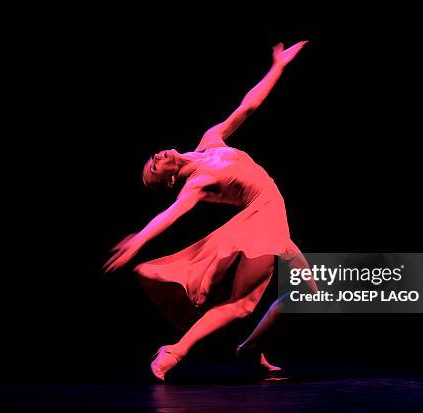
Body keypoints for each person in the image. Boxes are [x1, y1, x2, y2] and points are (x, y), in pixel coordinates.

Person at [104, 41, 315, 381]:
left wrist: (277, 66)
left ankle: (250, 348)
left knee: (308, 291)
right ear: (170, 179)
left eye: (154, 158)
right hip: (262, 222)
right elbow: (171, 215)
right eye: (154, 167)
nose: (156, 158)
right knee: (243, 304)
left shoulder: (210, 141)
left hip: (270, 218)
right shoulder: (196, 183)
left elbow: (247, 107)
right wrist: (139, 240)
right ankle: (174, 353)